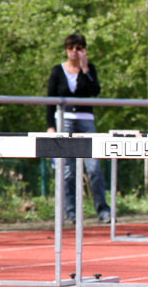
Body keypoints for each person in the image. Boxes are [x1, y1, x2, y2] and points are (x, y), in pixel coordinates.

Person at [46, 33, 111, 223]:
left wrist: (84, 69)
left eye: (79, 48)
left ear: (84, 50)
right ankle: (71, 211)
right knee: (68, 169)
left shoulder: (89, 69)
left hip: (85, 120)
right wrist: (50, 126)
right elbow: (49, 100)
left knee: (94, 167)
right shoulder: (57, 71)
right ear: (66, 50)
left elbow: (94, 91)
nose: (74, 52)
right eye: (71, 48)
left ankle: (103, 210)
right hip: (63, 120)